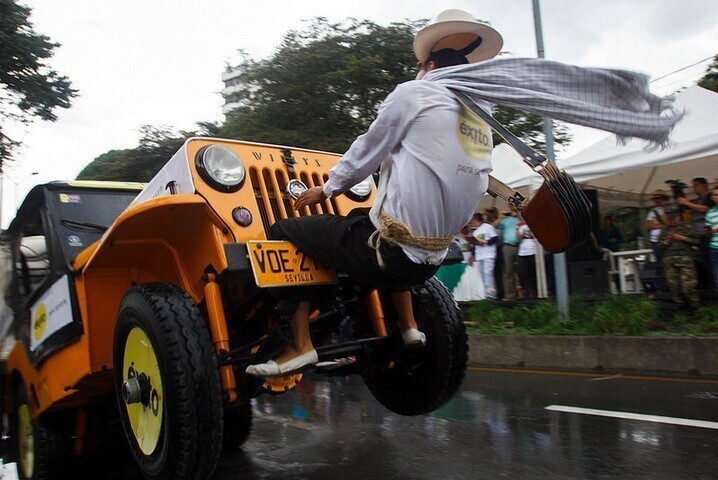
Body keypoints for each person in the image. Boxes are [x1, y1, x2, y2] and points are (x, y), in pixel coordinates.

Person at [246, 9, 503, 377]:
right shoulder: (480, 118)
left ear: (428, 64)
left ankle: (300, 345)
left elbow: (369, 149)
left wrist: (327, 188)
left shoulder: (415, 93)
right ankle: (409, 324)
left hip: (393, 256)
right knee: (362, 220)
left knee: (285, 231)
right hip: (433, 260)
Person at [658, 205, 701, 309]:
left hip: (685, 260)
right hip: (670, 261)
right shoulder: (664, 231)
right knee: (674, 286)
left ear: (678, 217)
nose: (671, 221)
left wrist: (683, 238)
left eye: (673, 218)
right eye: (669, 219)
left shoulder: (687, 228)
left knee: (688, 286)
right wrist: (666, 242)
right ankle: (680, 308)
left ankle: (696, 307)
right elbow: (659, 246)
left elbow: (697, 241)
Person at [676, 177, 716, 288]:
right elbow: (684, 209)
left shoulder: (709, 197)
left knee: (711, 261)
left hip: (708, 234)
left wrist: (687, 203)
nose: (694, 188)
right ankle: (709, 284)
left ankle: (714, 284)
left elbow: (704, 209)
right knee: (704, 261)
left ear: (704, 185)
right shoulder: (696, 199)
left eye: (696, 185)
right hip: (699, 235)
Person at [472, 212, 499, 299]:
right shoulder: (475, 232)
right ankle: (482, 294)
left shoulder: (488, 227)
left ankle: (490, 294)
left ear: (477, 220)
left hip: (488, 255)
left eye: (473, 220)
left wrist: (485, 242)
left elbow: (495, 238)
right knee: (479, 275)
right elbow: (474, 245)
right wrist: (473, 255)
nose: (473, 222)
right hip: (479, 255)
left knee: (488, 273)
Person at [498, 205, 520, 300]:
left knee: (522, 271)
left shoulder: (519, 217)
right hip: (507, 246)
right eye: (511, 206)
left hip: (520, 247)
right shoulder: (505, 220)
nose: (512, 208)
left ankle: (523, 293)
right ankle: (510, 295)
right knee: (508, 271)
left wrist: (517, 214)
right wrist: (500, 216)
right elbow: (495, 225)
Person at [646, 189, 669, 262]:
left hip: (667, 239)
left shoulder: (669, 210)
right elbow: (649, 225)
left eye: (659, 198)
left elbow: (668, 223)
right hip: (655, 241)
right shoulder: (652, 212)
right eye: (655, 199)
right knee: (659, 260)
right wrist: (660, 226)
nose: (657, 200)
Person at [516, 219, 537, 299]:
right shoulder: (523, 227)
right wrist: (518, 230)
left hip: (532, 251)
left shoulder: (534, 226)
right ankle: (524, 291)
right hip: (522, 252)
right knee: (522, 273)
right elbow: (517, 237)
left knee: (532, 272)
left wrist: (529, 233)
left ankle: (533, 291)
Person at [705, 185, 718, 293]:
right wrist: (711, 231)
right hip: (714, 248)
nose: (716, 197)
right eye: (714, 195)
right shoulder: (710, 212)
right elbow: (707, 232)